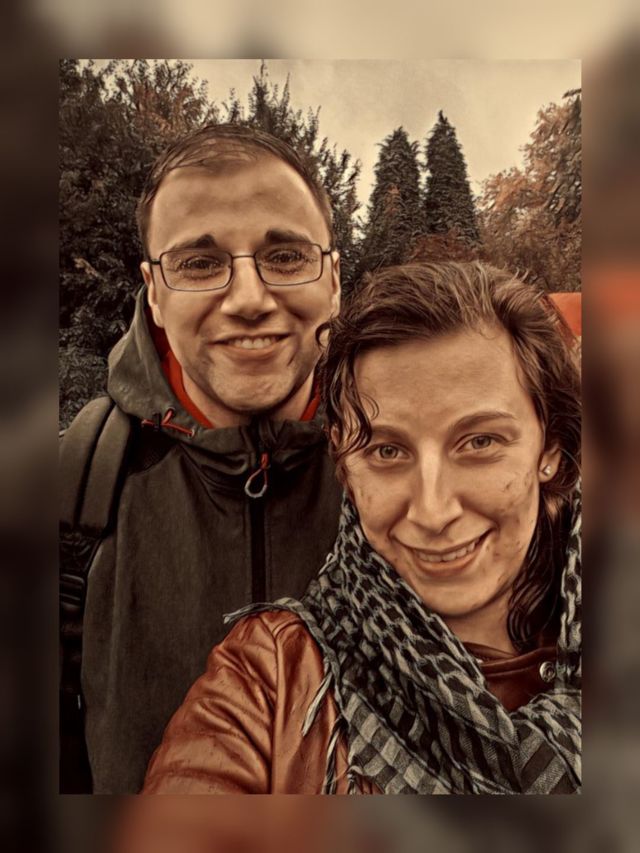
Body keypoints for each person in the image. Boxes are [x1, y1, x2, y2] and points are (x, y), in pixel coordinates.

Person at [143, 261, 582, 795]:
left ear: (549, 448)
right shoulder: (270, 677)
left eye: (480, 442)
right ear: (345, 465)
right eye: (387, 451)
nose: (433, 511)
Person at [59, 124, 343, 793]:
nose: (248, 300)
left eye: (285, 256)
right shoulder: (69, 492)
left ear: (334, 279)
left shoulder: (420, 478)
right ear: (154, 293)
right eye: (198, 263)